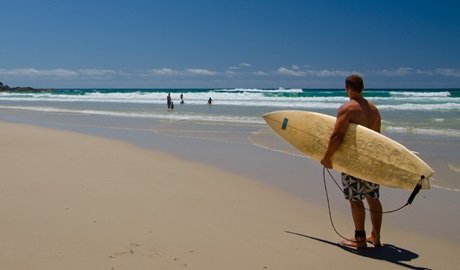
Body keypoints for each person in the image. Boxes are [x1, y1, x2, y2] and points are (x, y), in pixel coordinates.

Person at [320, 74, 383, 249]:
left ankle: (360, 239)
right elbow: (379, 139)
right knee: (373, 197)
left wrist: (327, 156)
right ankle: (376, 236)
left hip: (354, 162)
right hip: (371, 161)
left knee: (356, 199)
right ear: (362, 88)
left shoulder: (347, 108)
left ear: (347, 88)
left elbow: (337, 136)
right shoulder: (374, 110)